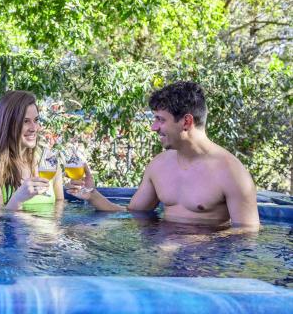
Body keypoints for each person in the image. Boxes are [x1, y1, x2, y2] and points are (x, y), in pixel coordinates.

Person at [68, 81, 259, 230]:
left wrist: (188, 245)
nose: (153, 127)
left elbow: (246, 235)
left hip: (203, 267)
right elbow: (132, 215)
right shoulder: (159, 165)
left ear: (186, 121)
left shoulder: (231, 172)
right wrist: (91, 195)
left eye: (160, 120)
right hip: (161, 255)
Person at [0, 90, 64, 210]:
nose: (34, 128)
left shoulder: (49, 163)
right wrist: (18, 198)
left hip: (49, 228)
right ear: (8, 125)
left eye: (36, 120)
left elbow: (60, 210)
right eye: (25, 121)